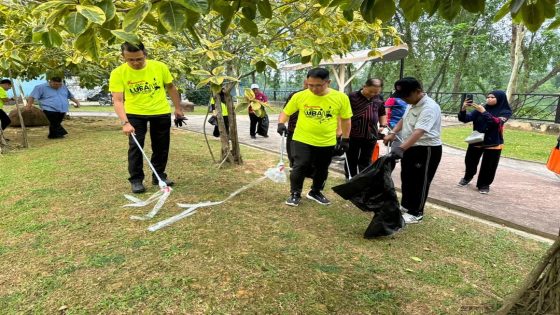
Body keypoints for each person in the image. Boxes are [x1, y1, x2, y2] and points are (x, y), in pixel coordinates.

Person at [109, 42, 185, 194]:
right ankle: (136, 180)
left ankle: (159, 177)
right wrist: (125, 122)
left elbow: (171, 87)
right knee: (136, 147)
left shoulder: (159, 67)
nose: (135, 63)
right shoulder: (118, 73)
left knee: (161, 146)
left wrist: (177, 108)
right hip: (135, 114)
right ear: (123, 57)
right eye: (130, 60)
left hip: (160, 111)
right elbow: (117, 100)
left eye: (139, 59)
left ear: (145, 54)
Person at [277, 67, 352, 206]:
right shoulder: (300, 96)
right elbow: (286, 112)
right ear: (307, 82)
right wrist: (281, 123)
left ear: (328, 82)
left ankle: (315, 192)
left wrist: (346, 139)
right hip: (302, 138)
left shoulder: (341, 97)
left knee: (322, 168)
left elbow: (346, 119)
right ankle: (295, 194)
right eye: (310, 85)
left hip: (327, 140)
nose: (314, 89)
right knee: (300, 165)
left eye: (318, 85)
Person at [383, 77, 442, 224]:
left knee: (420, 181)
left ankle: (416, 213)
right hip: (409, 146)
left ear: (418, 91)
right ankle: (406, 206)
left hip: (426, 149)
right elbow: (404, 119)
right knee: (407, 177)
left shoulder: (429, 107)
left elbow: (419, 132)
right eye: (401, 96)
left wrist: (400, 149)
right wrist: (393, 133)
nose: (404, 99)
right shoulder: (412, 103)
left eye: (406, 96)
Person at [457, 90, 512, 194]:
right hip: (477, 138)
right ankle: (467, 177)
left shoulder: (505, 111)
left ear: (499, 99)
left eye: (492, 97)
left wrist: (484, 112)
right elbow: (465, 119)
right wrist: (463, 108)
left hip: (493, 141)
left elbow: (497, 122)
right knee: (470, 161)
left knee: (489, 165)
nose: (489, 99)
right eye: (488, 97)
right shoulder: (481, 108)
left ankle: (484, 184)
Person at [345, 78, 387, 178]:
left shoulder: (379, 98)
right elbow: (343, 115)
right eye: (371, 91)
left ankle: (362, 180)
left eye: (376, 92)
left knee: (366, 160)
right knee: (351, 159)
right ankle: (351, 179)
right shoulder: (351, 96)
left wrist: (382, 126)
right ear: (364, 86)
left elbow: (382, 113)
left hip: (371, 134)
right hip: (353, 133)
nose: (373, 94)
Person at [283, 80, 308, 167]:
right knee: (292, 151)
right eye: (307, 84)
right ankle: (293, 165)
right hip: (293, 129)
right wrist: (281, 123)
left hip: (309, 131)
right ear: (304, 83)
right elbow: (285, 111)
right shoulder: (295, 95)